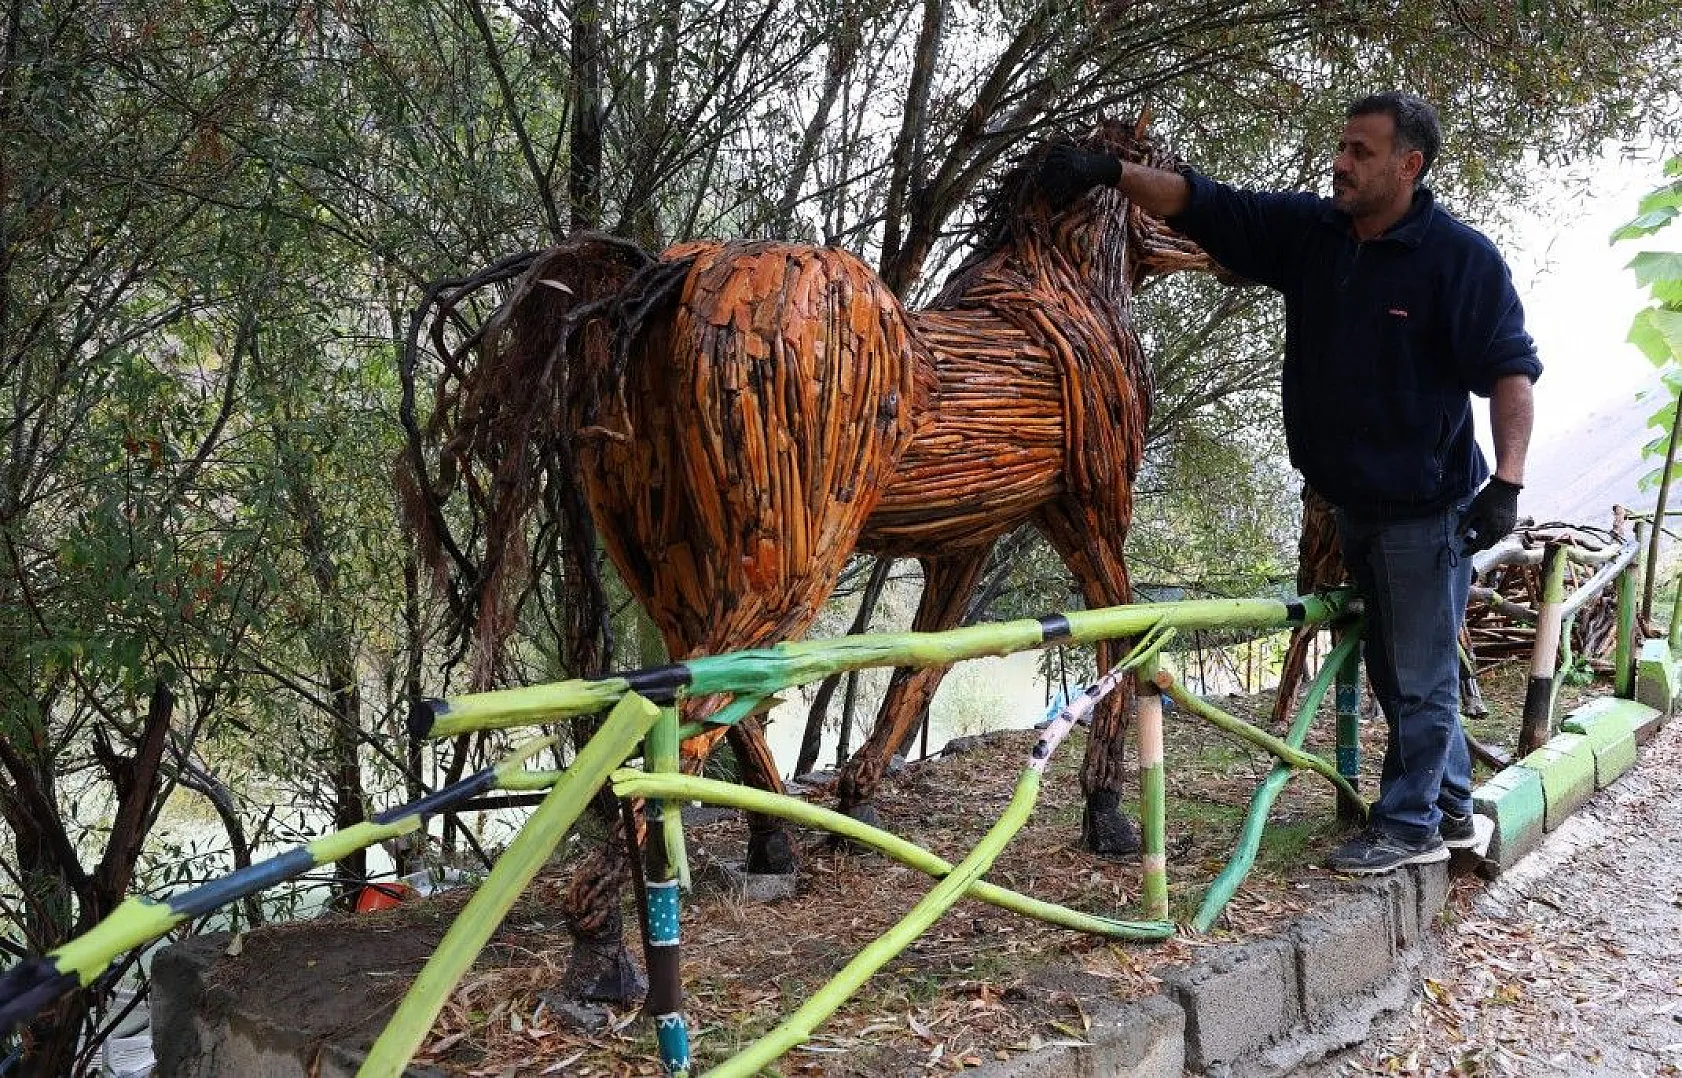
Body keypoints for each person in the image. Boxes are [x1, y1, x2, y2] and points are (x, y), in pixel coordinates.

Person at [1039, 92, 1540, 875]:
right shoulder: (1314, 235)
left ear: (1409, 165)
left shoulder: (1458, 258)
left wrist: (1506, 482)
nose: (1340, 163)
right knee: (1397, 665)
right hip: (1351, 505)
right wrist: (1108, 171)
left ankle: (1407, 827)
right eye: (1341, 146)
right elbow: (1206, 204)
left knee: (1418, 676)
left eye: (1361, 152)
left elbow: (1511, 372)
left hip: (1423, 508)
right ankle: (1446, 813)